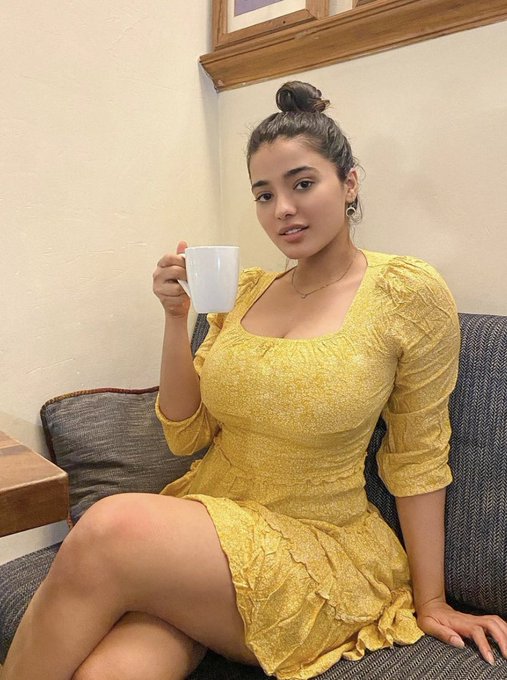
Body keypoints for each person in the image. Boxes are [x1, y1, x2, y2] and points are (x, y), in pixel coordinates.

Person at [3, 81, 507, 680]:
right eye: (264, 195)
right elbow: (186, 434)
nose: (282, 209)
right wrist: (175, 318)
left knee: (109, 526)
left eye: (302, 184)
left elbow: (418, 457)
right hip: (209, 529)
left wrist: (433, 600)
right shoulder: (244, 293)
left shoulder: (405, 293)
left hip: (315, 545)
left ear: (349, 183)